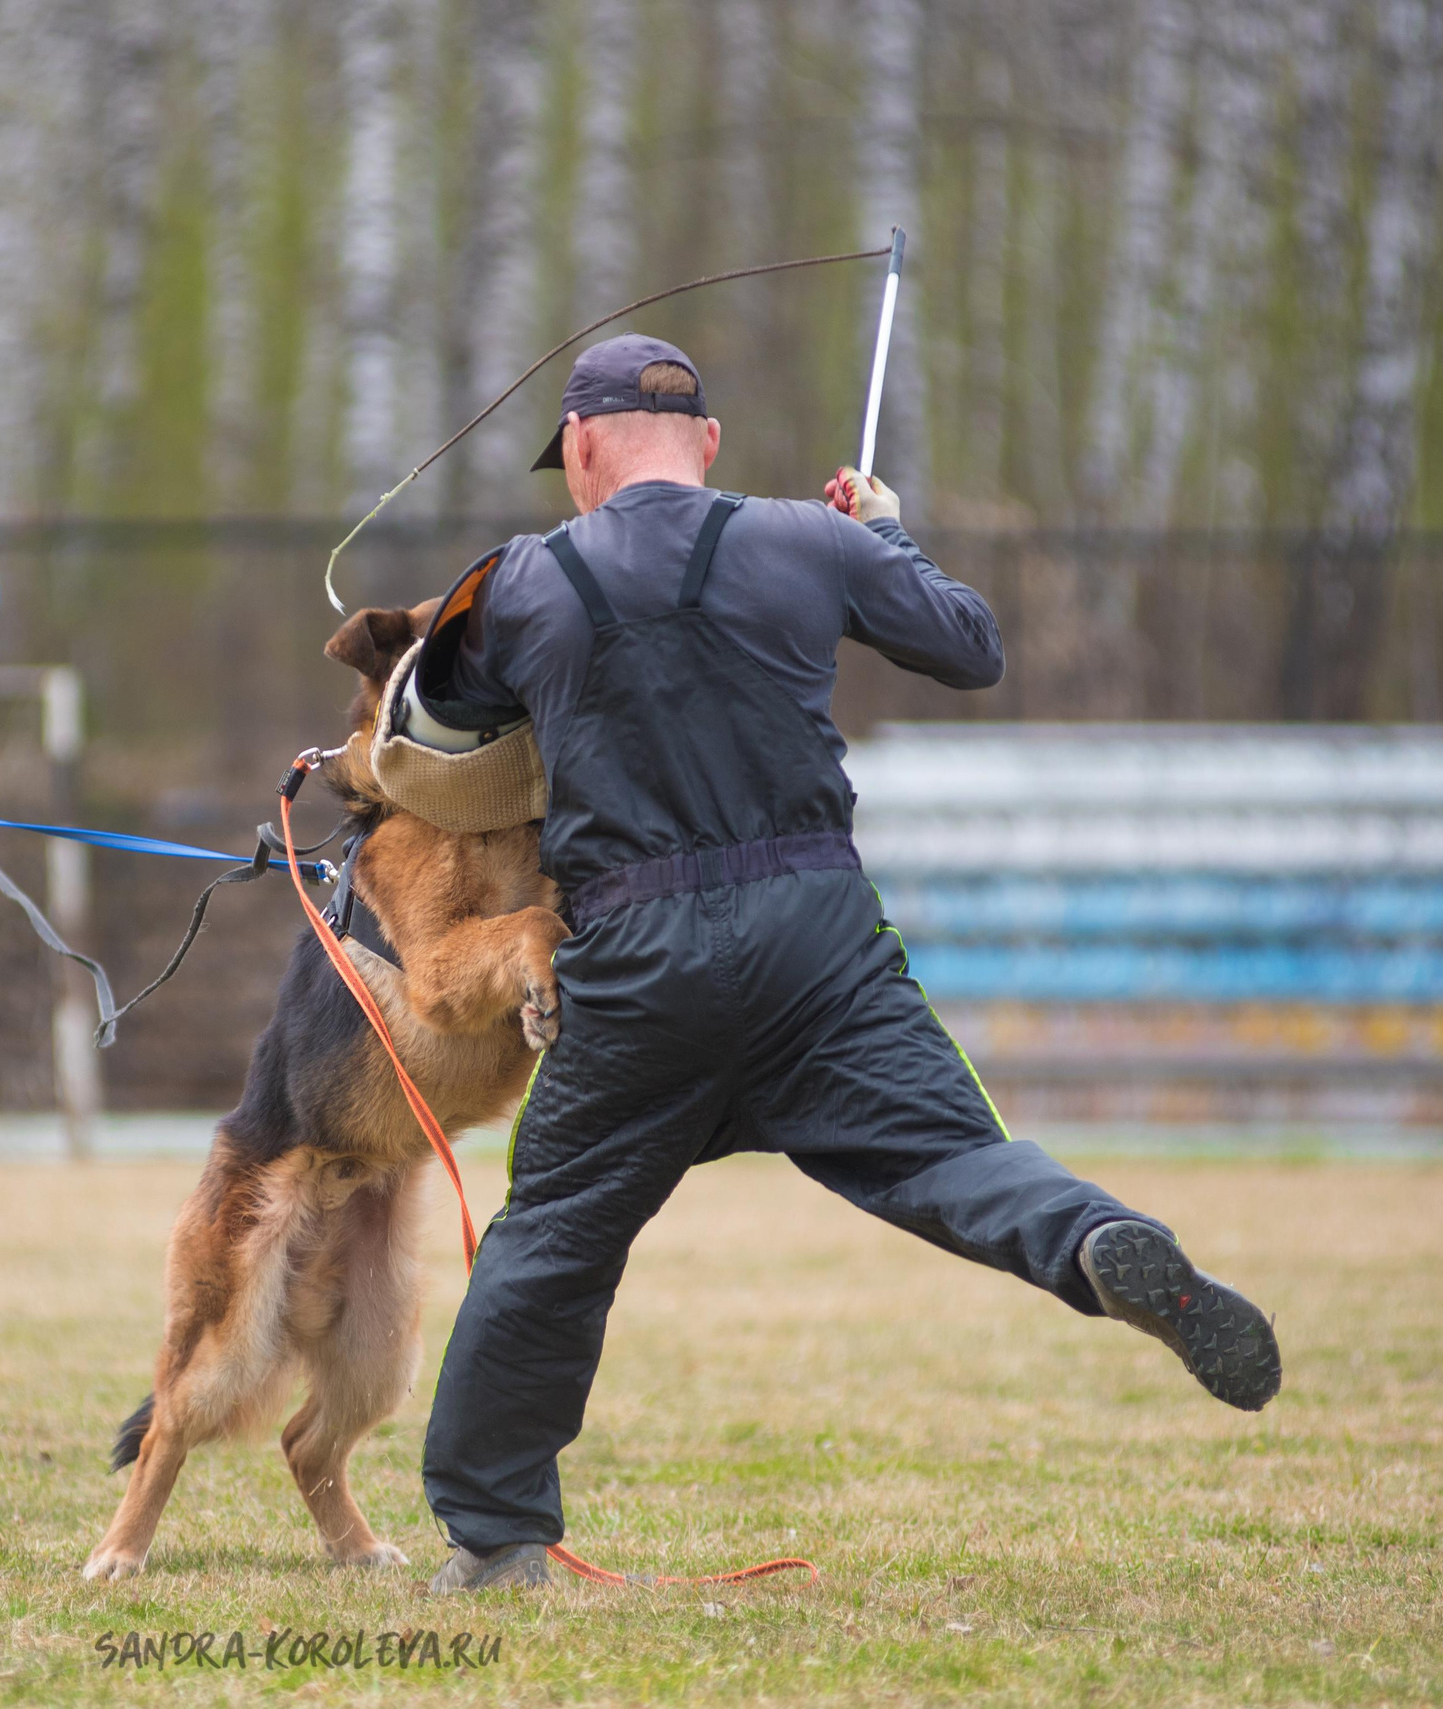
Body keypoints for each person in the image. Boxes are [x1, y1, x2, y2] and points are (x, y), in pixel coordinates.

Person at [409, 334, 1282, 1593]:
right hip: (815, 934)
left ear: (585, 446)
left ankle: (494, 1539)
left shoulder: (523, 580)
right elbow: (970, 646)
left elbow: (430, 731)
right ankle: (1096, 1238)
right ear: (706, 444)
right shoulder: (809, 541)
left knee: (551, 1229)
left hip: (637, 952)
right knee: (952, 1157)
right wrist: (883, 530)